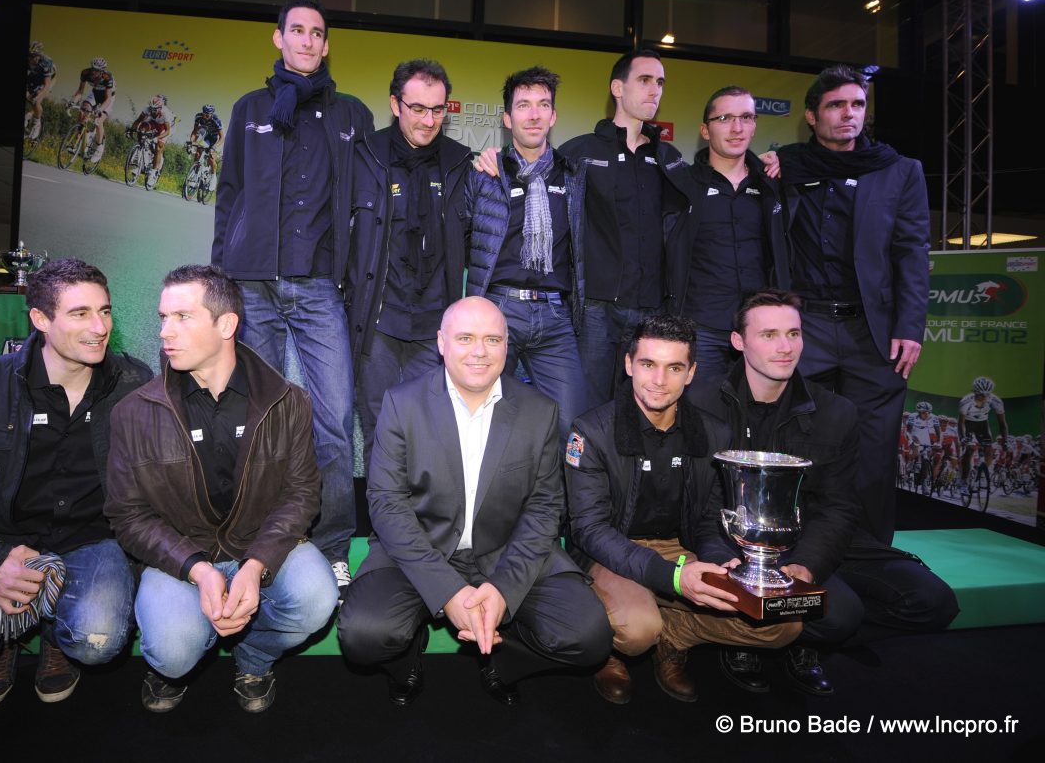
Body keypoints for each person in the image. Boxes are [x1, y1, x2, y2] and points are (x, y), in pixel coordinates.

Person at [0, 258, 152, 707]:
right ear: (40, 319)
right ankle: (2, 640)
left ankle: (55, 632)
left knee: (97, 640)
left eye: (106, 311)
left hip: (88, 539)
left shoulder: (133, 384)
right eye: (80, 313)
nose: (100, 327)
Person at [338, 296, 611, 707]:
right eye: (465, 338)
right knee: (364, 635)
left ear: (507, 345)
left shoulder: (539, 411)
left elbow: (543, 509)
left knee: (589, 637)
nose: (480, 351)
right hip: (419, 550)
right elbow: (387, 504)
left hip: (505, 553)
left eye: (492, 339)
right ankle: (407, 655)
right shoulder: (401, 404)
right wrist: (448, 592)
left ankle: (502, 661)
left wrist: (503, 591)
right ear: (441, 343)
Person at [693, 290, 958, 697]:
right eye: (769, 335)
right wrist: (719, 558)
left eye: (793, 334)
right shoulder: (701, 403)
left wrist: (807, 566)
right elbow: (701, 501)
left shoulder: (836, 412)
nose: (785, 347)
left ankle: (795, 639)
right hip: (736, 540)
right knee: (841, 614)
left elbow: (838, 506)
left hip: (814, 537)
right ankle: (745, 637)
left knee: (931, 601)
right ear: (738, 342)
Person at [105, 265, 338, 714]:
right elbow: (127, 515)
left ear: (226, 324)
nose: (164, 331)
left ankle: (253, 657)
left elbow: (302, 493)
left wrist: (255, 566)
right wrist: (197, 569)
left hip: (260, 545)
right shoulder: (134, 412)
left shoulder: (288, 401)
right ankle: (180, 655)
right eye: (163, 317)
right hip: (179, 555)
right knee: (173, 651)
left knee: (316, 598)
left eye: (182, 317)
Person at [213, 0, 373, 593]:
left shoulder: (350, 114)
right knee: (258, 419)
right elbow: (229, 194)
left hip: (317, 289)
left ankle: (332, 544)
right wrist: (221, 286)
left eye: (318, 33)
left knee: (333, 421)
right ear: (277, 38)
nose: (307, 40)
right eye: (297, 30)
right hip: (252, 288)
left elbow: (369, 196)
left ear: (327, 45)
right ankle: (259, 540)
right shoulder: (250, 109)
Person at [565, 313, 800, 705]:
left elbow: (710, 518)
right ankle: (613, 649)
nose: (659, 380)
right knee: (637, 631)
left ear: (690, 372)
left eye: (674, 367)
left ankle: (672, 638)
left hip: (679, 548)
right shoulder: (591, 431)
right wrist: (672, 579)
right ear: (628, 365)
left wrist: (720, 560)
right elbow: (590, 530)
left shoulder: (713, 433)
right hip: (609, 551)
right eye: (648, 364)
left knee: (783, 621)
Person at [775, 65, 929, 545]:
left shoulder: (899, 170)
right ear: (812, 116)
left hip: (873, 331)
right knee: (795, 444)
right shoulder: (786, 167)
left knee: (873, 453)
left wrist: (910, 325)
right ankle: (796, 549)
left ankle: (872, 558)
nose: (849, 114)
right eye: (837, 105)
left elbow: (911, 252)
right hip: (805, 328)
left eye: (857, 105)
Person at [345, 59, 471, 470]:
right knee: (379, 430)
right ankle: (383, 533)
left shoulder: (461, 165)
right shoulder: (363, 156)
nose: (429, 120)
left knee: (429, 435)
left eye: (438, 110)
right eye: (418, 108)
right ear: (396, 104)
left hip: (434, 327)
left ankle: (423, 531)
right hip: (378, 323)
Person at [557, 49, 688, 411]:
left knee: (644, 412)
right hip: (595, 311)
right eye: (645, 80)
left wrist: (765, 163)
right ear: (618, 87)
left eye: (660, 82)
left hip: (651, 311)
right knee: (586, 412)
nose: (655, 90)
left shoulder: (668, 158)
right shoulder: (579, 152)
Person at [465, 66, 588, 443]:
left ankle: (557, 505)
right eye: (523, 105)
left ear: (552, 116)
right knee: (485, 424)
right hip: (498, 309)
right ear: (507, 118)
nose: (533, 114)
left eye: (542, 105)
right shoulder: (485, 172)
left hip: (554, 314)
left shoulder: (573, 175)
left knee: (573, 427)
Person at [663, 86, 789, 384]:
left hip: (759, 329)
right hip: (700, 329)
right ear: (705, 131)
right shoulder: (683, 185)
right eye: (725, 118)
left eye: (746, 117)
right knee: (702, 421)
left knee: (759, 421)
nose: (737, 128)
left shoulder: (773, 184)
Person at [958, 376, 1009, 488]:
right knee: (970, 449)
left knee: (988, 449)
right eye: (981, 394)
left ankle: (985, 473)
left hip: (982, 424)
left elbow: (1002, 423)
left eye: (987, 394)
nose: (984, 397)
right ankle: (963, 481)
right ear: (975, 392)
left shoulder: (996, 401)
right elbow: (961, 422)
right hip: (968, 424)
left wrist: (1005, 440)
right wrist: (962, 437)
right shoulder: (966, 401)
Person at [69, 57, 116, 162]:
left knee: (98, 121)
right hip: (95, 93)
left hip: (108, 97)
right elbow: (80, 91)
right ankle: (75, 142)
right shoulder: (85, 73)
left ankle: (99, 147)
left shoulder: (107, 78)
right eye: (93, 69)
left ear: (102, 71)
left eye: (96, 70)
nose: (93, 72)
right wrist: (72, 102)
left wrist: (100, 109)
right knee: (84, 110)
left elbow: (108, 98)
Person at [129, 94, 175, 190]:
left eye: (155, 110)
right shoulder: (147, 109)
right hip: (154, 123)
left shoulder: (166, 113)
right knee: (142, 129)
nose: (153, 111)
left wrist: (157, 138)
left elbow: (167, 131)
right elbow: (138, 121)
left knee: (159, 146)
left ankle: (153, 174)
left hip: (165, 128)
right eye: (151, 109)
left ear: (160, 108)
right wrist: (131, 130)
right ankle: (141, 155)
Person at [25, 41, 56, 141]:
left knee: (36, 100)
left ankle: (36, 123)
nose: (31, 58)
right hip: (34, 76)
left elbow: (46, 85)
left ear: (39, 56)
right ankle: (30, 115)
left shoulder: (46, 62)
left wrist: (38, 96)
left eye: (34, 56)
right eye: (29, 55)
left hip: (47, 80)